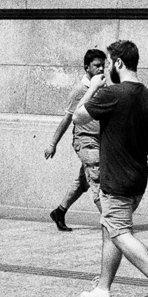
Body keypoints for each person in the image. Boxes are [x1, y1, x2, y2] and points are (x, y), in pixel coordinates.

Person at [72, 39, 148, 297]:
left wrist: (95, 87)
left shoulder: (112, 94)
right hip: (136, 181)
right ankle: (103, 289)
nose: (106, 68)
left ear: (119, 63)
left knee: (120, 232)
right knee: (111, 228)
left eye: (108, 63)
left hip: (116, 179)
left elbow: (79, 117)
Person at [44, 48, 106, 231]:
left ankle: (60, 212)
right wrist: (52, 144)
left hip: (100, 141)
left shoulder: (103, 87)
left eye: (103, 65)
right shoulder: (79, 90)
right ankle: (112, 221)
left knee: (83, 181)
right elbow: (67, 119)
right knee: (97, 176)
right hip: (85, 141)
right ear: (87, 67)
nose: (101, 69)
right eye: (97, 66)